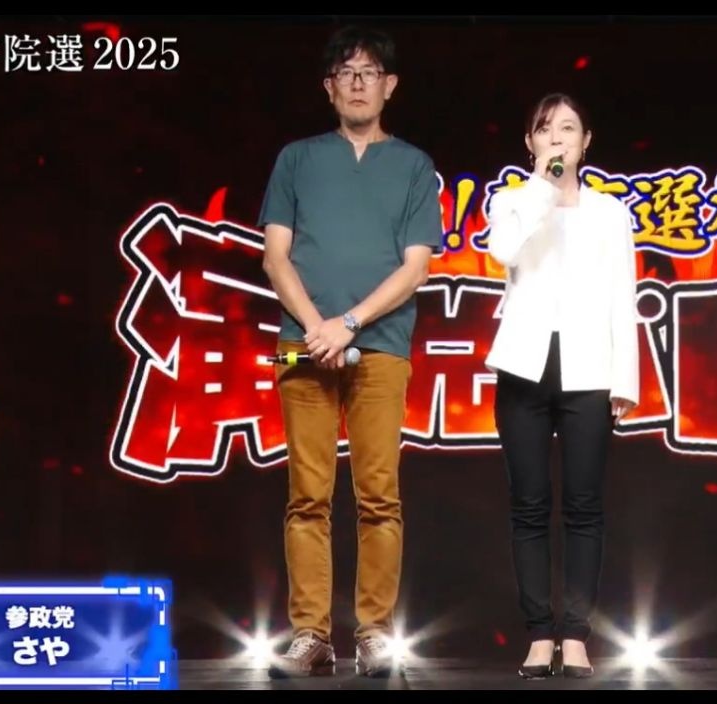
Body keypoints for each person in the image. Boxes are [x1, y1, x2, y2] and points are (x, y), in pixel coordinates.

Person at [258, 25, 442, 678]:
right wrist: (318, 328)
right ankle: (310, 635)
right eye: (346, 72)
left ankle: (374, 635)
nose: (358, 82)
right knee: (306, 495)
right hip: (299, 348)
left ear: (390, 86)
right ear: (329, 87)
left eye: (369, 72)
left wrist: (351, 323)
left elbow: (415, 267)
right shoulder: (297, 159)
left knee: (379, 496)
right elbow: (275, 256)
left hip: (383, 347)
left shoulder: (413, 166)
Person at [484, 92, 640, 679]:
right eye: (545, 129)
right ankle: (538, 634)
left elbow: (623, 296)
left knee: (584, 506)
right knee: (528, 506)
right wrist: (543, 190)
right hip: (524, 367)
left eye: (568, 128)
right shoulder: (512, 202)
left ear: (586, 141)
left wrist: (625, 377)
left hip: (590, 370)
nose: (557, 138)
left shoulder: (610, 212)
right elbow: (503, 251)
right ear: (530, 142)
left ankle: (575, 636)